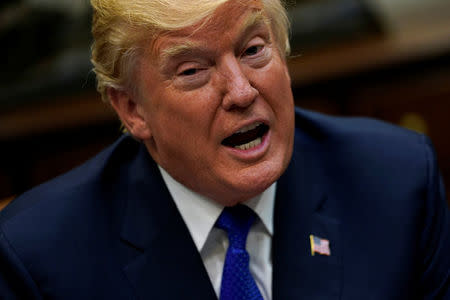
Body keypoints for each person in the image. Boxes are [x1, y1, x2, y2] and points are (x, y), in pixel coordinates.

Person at [0, 0, 448, 299]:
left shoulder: (398, 181)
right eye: (193, 70)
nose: (240, 91)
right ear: (133, 108)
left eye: (254, 49)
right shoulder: (38, 258)